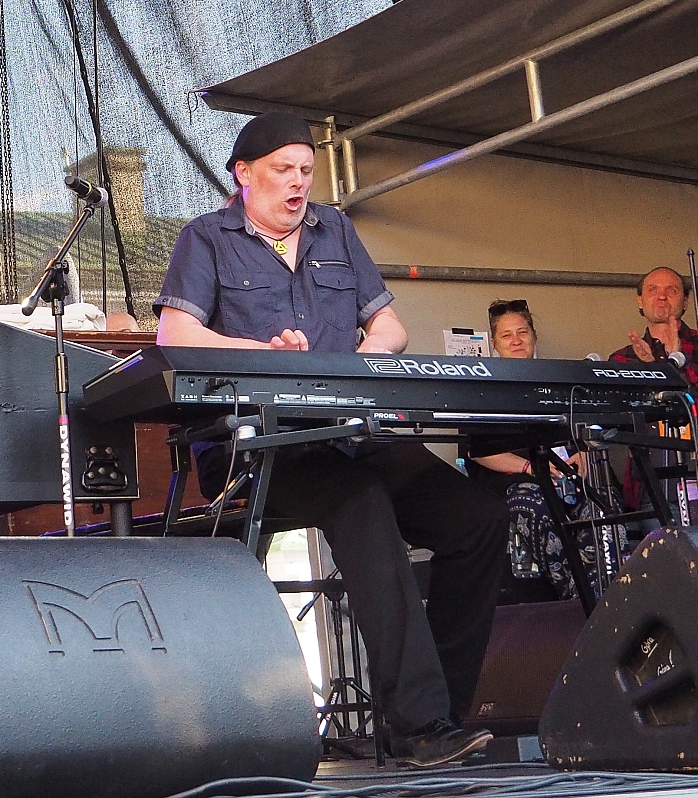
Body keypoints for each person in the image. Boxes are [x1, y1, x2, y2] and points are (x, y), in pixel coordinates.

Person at [155, 112, 503, 769]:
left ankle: (440, 716)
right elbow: (175, 335)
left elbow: (391, 326)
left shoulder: (335, 230)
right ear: (244, 173)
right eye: (282, 170)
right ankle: (420, 725)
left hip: (348, 434)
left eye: (306, 170)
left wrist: (369, 356)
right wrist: (263, 354)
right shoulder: (206, 238)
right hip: (256, 447)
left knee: (477, 518)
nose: (297, 182)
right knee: (361, 500)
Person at [465, 300, 588, 603]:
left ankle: (612, 595)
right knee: (537, 505)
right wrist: (531, 468)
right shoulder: (482, 388)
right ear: (494, 343)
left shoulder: (560, 381)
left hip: (568, 477)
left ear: (534, 336)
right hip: (517, 484)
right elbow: (477, 451)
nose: (516, 340)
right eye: (506, 335)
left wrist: (584, 454)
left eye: (522, 332)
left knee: (601, 506)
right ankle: (580, 599)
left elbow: (588, 430)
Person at [611, 266, 698, 460]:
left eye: (671, 290)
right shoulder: (622, 359)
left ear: (686, 301)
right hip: (649, 467)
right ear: (640, 301)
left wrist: (680, 360)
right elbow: (611, 420)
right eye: (652, 289)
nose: (661, 296)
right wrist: (653, 368)